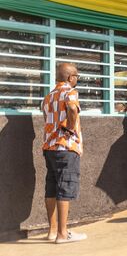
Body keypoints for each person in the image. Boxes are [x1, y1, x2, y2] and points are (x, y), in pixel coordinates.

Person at [41, 63, 87, 243]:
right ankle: (62, 234)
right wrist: (70, 127)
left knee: (51, 188)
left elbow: (47, 120)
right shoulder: (70, 92)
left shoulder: (48, 96)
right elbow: (73, 108)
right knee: (65, 188)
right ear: (70, 77)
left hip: (50, 147)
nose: (77, 79)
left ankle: (52, 232)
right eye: (77, 76)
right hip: (65, 148)